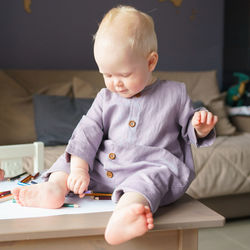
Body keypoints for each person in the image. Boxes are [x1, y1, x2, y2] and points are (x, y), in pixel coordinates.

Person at [12, 5, 218, 245]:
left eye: (124, 74)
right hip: (103, 167)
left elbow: (189, 127)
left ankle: (126, 214)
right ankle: (54, 188)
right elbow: (87, 133)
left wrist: (200, 127)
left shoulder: (175, 93)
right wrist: (79, 169)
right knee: (66, 161)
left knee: (153, 179)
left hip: (148, 166)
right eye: (107, 75)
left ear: (150, 62)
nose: (116, 83)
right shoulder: (105, 98)